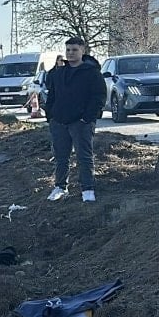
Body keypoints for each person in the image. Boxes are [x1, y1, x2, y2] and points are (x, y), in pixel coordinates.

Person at [44, 37, 106, 202]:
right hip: (59, 122)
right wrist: (50, 116)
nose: (70, 53)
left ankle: (87, 189)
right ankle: (60, 187)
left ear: (82, 51)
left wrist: (87, 118)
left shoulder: (92, 73)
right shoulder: (59, 73)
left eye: (74, 50)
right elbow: (52, 95)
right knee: (61, 157)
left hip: (81, 123)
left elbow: (99, 97)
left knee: (84, 157)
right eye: (68, 50)